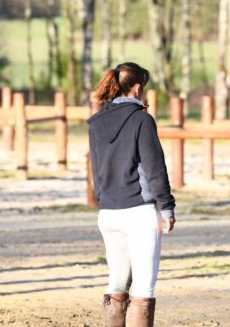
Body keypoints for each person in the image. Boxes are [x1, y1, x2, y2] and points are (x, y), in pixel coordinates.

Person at [87, 62, 176, 327]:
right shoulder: (142, 120)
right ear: (137, 88)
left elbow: (96, 169)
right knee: (143, 290)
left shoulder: (96, 121)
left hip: (108, 213)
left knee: (116, 281)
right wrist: (167, 207)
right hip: (139, 212)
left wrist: (104, 200)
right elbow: (154, 168)